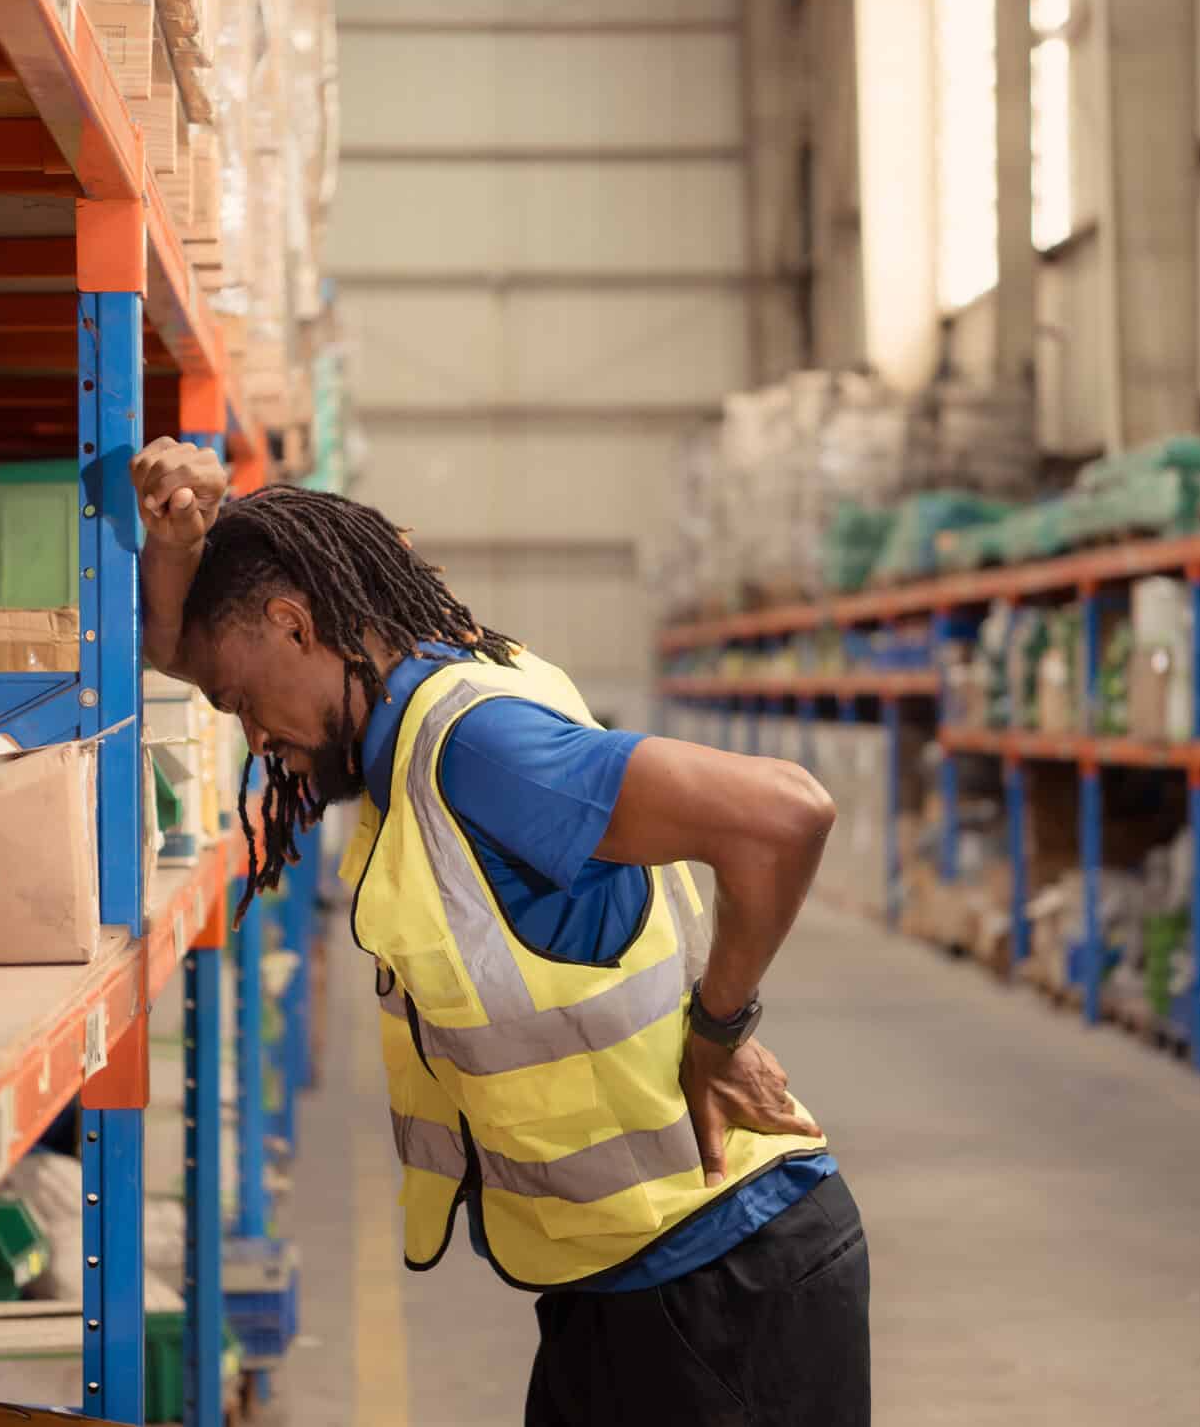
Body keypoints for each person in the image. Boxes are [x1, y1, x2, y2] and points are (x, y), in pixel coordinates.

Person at [130, 440, 872, 1426]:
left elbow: (783, 815)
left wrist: (719, 1029)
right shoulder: (434, 696)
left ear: (291, 623)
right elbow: (180, 647)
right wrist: (177, 539)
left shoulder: (474, 747)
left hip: (717, 1284)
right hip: (623, 1280)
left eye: (244, 705)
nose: (256, 739)